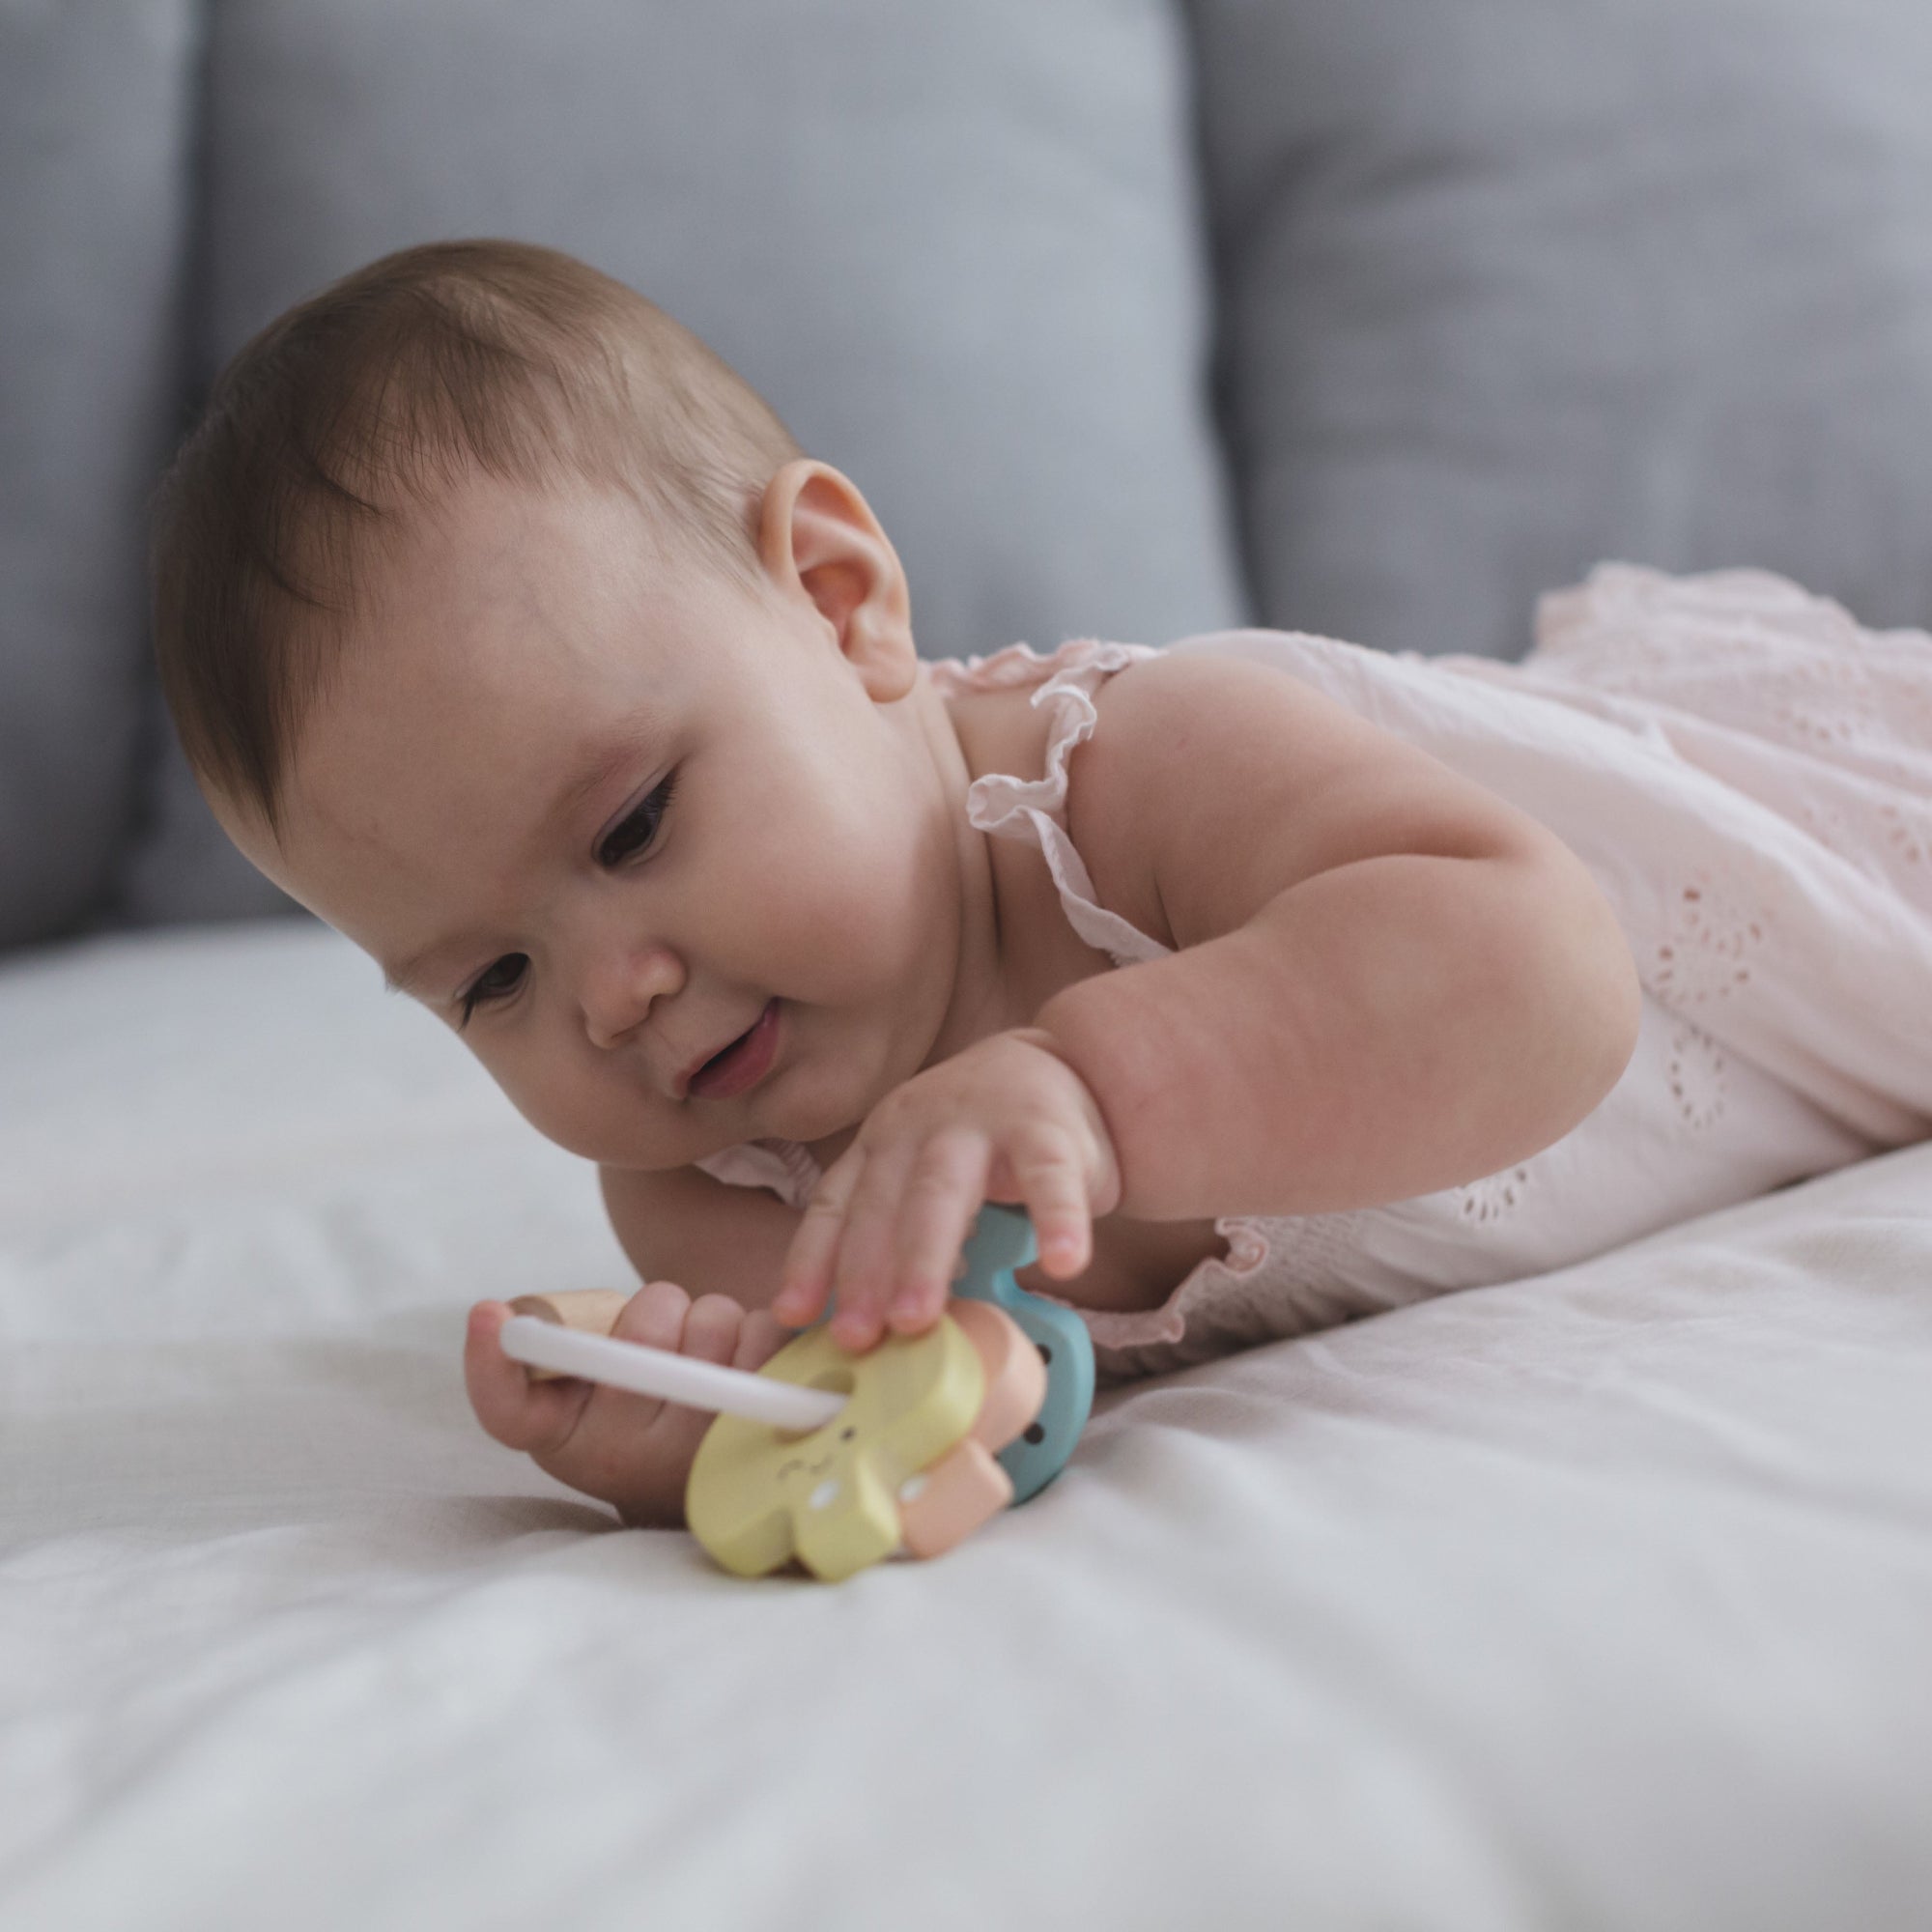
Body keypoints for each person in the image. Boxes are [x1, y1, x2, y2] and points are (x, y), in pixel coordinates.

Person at [148, 240, 1932, 1527]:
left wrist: (1099, 1085)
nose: (610, 994)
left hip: (1827, 864)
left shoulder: (1126, 778)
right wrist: (716, 1420)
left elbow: (1548, 986)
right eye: (491, 983)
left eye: (630, 830)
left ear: (841, 608)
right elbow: (965, 1414)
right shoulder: (712, 1186)